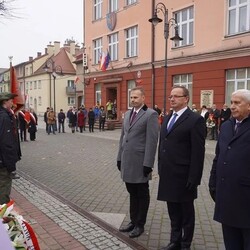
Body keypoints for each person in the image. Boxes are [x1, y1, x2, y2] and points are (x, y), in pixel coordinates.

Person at [158, 85, 206, 250]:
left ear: (186, 99)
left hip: (184, 175)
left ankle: (185, 244)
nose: (172, 99)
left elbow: (198, 153)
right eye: (171, 96)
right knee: (173, 211)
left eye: (176, 96)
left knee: (186, 213)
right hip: (168, 173)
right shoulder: (167, 117)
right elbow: (162, 144)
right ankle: (175, 241)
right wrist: (160, 167)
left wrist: (194, 178)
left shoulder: (195, 120)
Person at [209, 89, 250, 250]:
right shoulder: (226, 126)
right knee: (231, 243)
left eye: (237, 103)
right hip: (227, 196)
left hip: (246, 198)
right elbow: (218, 157)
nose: (232, 106)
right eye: (232, 102)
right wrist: (213, 183)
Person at [117, 86, 159, 238]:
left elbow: (152, 141)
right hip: (128, 161)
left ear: (143, 98)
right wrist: (119, 157)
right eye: (131, 97)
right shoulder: (128, 114)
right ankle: (133, 221)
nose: (133, 100)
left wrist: (148, 163)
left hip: (141, 163)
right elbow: (123, 137)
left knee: (141, 193)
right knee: (132, 192)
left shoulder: (150, 115)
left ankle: (140, 224)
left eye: (136, 97)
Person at [0, 92, 21, 204]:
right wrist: (10, 163)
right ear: (5, 102)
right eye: (10, 100)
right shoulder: (4, 117)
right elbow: (5, 142)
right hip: (3, 160)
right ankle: (2, 214)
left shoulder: (4, 115)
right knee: (4, 184)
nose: (12, 103)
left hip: (2, 158)